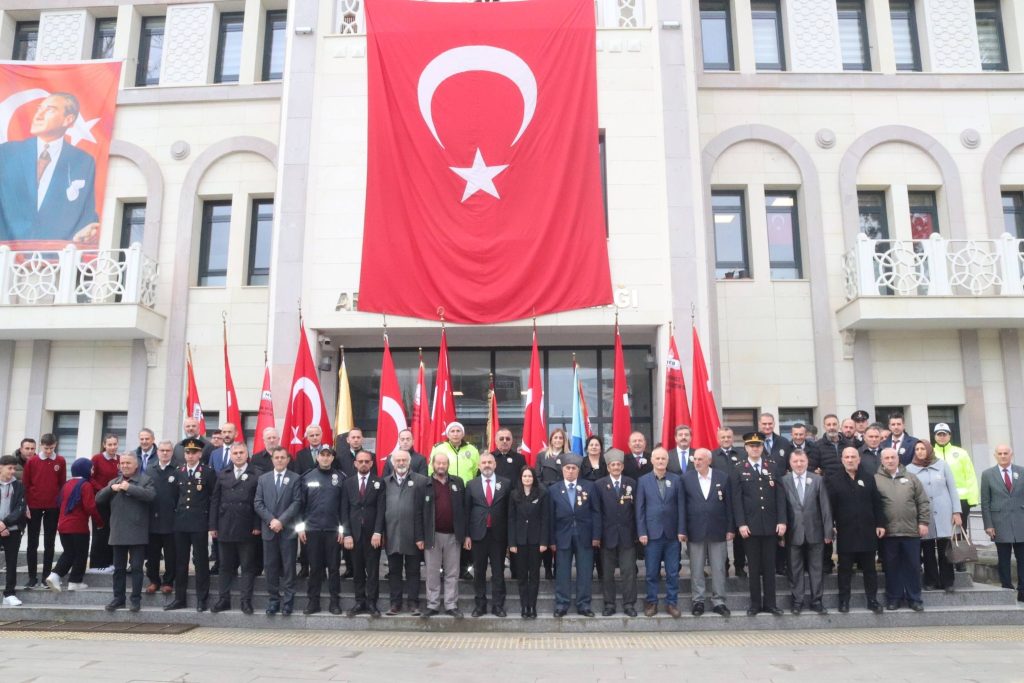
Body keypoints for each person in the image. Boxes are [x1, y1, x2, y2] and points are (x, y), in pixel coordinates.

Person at [0, 92, 99, 243]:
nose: (39, 115)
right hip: (7, 257)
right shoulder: (7, 153)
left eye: (50, 110)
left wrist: (86, 232)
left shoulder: (83, 161)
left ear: (68, 119)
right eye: (39, 109)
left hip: (55, 260)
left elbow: (87, 213)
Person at [732, 432, 786, 617]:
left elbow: (780, 496)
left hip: (771, 525)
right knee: (753, 568)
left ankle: (771, 604)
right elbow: (736, 500)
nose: (755, 448)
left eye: (758, 445)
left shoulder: (772, 466)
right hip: (750, 527)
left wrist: (782, 521)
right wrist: (741, 524)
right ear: (746, 448)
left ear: (763, 447)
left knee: (770, 568)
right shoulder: (739, 468)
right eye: (751, 446)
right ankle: (755, 604)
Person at [826, 447, 885, 614]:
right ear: (842, 459)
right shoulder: (833, 480)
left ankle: (872, 600)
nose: (850, 460)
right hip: (846, 531)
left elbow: (877, 503)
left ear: (859, 459)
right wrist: (831, 526)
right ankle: (844, 601)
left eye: (853, 457)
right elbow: (829, 506)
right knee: (844, 570)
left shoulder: (868, 478)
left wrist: (880, 524)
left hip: (867, 531)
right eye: (847, 457)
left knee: (870, 570)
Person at [95, 453, 156, 612]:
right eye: (122, 463)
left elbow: (150, 496)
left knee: (136, 568)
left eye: (128, 463)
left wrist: (130, 487)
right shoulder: (113, 482)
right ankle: (118, 599)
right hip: (118, 530)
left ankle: (135, 600)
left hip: (137, 531)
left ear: (136, 465)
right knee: (119, 569)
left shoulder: (145, 480)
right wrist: (110, 489)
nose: (125, 466)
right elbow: (98, 499)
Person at [164, 438, 216, 612]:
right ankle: (180, 598)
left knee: (201, 562)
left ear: (200, 454)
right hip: (180, 523)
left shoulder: (208, 472)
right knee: (181, 562)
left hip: (199, 522)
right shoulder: (178, 471)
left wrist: (211, 523)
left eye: (194, 452)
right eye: (187, 452)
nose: (190, 455)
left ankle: (202, 599)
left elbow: (213, 499)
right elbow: (172, 498)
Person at [875, 447, 930, 611]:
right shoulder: (876, 479)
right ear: (882, 461)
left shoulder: (911, 478)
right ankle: (894, 598)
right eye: (887, 458)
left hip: (911, 531)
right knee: (891, 567)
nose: (890, 461)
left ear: (898, 459)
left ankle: (915, 598)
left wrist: (923, 522)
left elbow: (923, 501)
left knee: (913, 566)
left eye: (893, 457)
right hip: (888, 533)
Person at [209, 442, 261, 614]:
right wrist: (213, 526)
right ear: (231, 456)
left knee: (247, 567)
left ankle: (245, 601)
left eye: (241, 452)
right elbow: (215, 501)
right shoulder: (223, 474)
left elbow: (258, 502)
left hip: (247, 528)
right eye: (235, 453)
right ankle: (224, 599)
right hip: (225, 526)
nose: (238, 455)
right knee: (225, 566)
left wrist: (256, 525)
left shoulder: (256, 474)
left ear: (247, 454)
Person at [680, 447, 732, 617]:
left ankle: (719, 601)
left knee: (718, 567)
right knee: (696, 567)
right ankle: (698, 601)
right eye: (695, 459)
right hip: (694, 530)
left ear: (709, 460)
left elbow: (729, 506)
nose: (697, 462)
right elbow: (682, 507)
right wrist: (682, 529)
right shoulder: (686, 479)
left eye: (700, 459)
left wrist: (730, 528)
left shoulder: (722, 477)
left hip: (718, 529)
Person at [781, 449, 832, 615]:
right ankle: (798, 601)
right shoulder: (784, 481)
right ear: (790, 463)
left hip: (815, 532)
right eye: (795, 461)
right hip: (792, 533)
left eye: (802, 461)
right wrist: (780, 535)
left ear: (807, 462)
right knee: (795, 569)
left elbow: (825, 508)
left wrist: (828, 532)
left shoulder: (817, 480)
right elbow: (781, 509)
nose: (799, 464)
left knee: (816, 569)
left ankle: (817, 600)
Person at [907, 440, 961, 594]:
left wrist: (956, 511)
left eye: (923, 448)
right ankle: (931, 580)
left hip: (944, 511)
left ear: (929, 449)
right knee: (928, 548)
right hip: (924, 514)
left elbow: (952, 489)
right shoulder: (910, 469)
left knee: (945, 548)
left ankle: (948, 581)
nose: (920, 451)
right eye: (917, 449)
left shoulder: (942, 465)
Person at [550, 455, 601, 617]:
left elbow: (596, 512)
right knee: (562, 571)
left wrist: (596, 536)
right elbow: (550, 517)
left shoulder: (590, 487)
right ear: (562, 470)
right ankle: (561, 604)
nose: (570, 471)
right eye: (567, 468)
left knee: (585, 571)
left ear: (578, 470)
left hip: (585, 535)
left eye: (574, 468)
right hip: (562, 536)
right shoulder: (553, 489)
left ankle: (584, 604)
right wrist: (551, 540)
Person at [635, 447, 683, 618]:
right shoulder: (643, 481)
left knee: (672, 572)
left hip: (672, 535)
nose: (661, 461)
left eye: (664, 458)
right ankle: (652, 602)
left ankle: (671, 603)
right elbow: (639, 509)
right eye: (658, 458)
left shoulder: (676, 480)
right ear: (652, 460)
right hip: (652, 534)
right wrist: (641, 532)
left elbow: (681, 507)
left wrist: (681, 530)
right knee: (651, 572)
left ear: (667, 461)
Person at [297, 447, 345, 615]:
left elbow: (344, 508)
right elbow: (300, 506)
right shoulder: (307, 477)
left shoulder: (340, 478)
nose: (325, 458)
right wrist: (300, 529)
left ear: (332, 458)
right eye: (322, 455)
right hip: (312, 530)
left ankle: (334, 602)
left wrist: (342, 530)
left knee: (333, 568)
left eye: (328, 455)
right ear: (317, 457)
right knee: (315, 567)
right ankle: (313, 602)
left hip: (333, 530)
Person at [254, 446, 301, 616]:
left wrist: (281, 521)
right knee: (270, 566)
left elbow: (297, 502)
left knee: (289, 567)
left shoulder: (295, 478)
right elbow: (258, 503)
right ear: (272, 459)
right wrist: (271, 520)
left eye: (283, 457)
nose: (280, 460)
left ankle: (288, 602)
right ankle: (273, 600)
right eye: (277, 457)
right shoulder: (263, 479)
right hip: (269, 530)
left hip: (287, 530)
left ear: (288, 460)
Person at [340, 449, 386, 617]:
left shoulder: (379, 483)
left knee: (373, 570)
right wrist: (346, 534)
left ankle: (372, 602)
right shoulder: (348, 483)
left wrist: (378, 532)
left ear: (372, 463)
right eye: (361, 461)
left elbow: (381, 510)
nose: (364, 464)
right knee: (357, 570)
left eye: (367, 461)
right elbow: (343, 511)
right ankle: (360, 601)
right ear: (355, 463)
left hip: (372, 536)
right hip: (354, 535)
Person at [465, 452, 511, 617]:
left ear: (495, 465)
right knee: (479, 572)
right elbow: (467, 511)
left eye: (489, 462)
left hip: (499, 535)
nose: (487, 465)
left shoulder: (505, 483)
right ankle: (480, 605)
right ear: (479, 465)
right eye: (483, 462)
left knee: (498, 572)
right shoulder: (471, 484)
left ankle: (498, 606)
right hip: (478, 535)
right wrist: (467, 535)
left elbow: (509, 511)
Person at [45, 458, 101, 592]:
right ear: (85, 469)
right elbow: (90, 507)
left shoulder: (67, 483)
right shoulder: (85, 485)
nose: (93, 471)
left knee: (69, 553)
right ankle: (74, 581)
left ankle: (54, 575)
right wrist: (100, 522)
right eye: (91, 468)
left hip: (63, 525)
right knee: (81, 554)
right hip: (78, 526)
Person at [383, 450, 428, 616]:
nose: (401, 463)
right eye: (397, 460)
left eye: (404, 460)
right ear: (392, 463)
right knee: (394, 571)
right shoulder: (385, 482)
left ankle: (414, 604)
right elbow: (381, 510)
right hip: (392, 534)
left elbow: (425, 511)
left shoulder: (421, 481)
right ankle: (395, 604)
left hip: (414, 536)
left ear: (409, 462)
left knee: (413, 571)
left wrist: (421, 535)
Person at [422, 451, 466, 619]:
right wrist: (421, 536)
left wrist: (464, 534)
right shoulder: (425, 484)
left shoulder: (458, 482)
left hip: (453, 536)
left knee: (452, 572)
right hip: (432, 535)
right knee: (432, 572)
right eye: (438, 463)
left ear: (448, 465)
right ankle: (432, 604)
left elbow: (463, 509)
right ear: (433, 464)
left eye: (444, 463)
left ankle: (451, 604)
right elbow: (420, 512)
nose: (441, 466)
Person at [594, 449, 637, 617]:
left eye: (619, 464)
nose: (616, 467)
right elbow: (597, 512)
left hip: (627, 535)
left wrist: (636, 534)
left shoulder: (631, 483)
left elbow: (636, 511)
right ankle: (609, 604)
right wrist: (597, 536)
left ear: (623, 466)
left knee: (628, 572)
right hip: (607, 536)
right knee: (607, 573)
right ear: (608, 467)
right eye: (613, 465)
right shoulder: (599, 485)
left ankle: (629, 604)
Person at [932, 422, 979, 571]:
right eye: (939, 434)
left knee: (959, 529)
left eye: (944, 434)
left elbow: (970, 476)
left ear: (950, 435)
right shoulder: (931, 453)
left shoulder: (961, 452)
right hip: (940, 499)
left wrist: (972, 499)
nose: (942, 437)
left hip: (962, 498)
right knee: (942, 531)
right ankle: (945, 559)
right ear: (934, 436)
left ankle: (960, 561)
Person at [22, 432, 66, 589]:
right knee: (32, 542)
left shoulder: (60, 460)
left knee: (50, 542)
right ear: (41, 445)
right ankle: (32, 577)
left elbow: (62, 485)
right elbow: (25, 485)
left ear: (55, 446)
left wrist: (60, 505)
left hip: (53, 506)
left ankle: (46, 576)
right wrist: (25, 505)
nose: (49, 451)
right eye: (46, 448)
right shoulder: (32, 461)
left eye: (52, 448)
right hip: (33, 506)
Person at [980, 444, 1024, 602]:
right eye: (1000, 453)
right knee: (1003, 558)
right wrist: (988, 524)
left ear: (1011, 454)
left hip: (1020, 521)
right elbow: (985, 501)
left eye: (1006, 453)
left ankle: (1022, 591)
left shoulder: (1021, 471)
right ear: (995, 455)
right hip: (999, 523)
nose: (1003, 456)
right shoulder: (988, 475)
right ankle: (1006, 588)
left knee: (1022, 559)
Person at [507, 466, 548, 619]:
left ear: (534, 478)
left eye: (530, 476)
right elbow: (511, 520)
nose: (527, 479)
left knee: (535, 575)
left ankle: (533, 606)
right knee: (522, 576)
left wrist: (544, 541)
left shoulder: (542, 493)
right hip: (519, 542)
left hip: (536, 541)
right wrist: (512, 543)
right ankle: (524, 606)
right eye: (524, 476)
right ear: (521, 478)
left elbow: (545, 519)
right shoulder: (514, 495)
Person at [711, 427, 746, 577]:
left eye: (728, 437)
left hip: (740, 500)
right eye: (723, 437)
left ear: (733, 438)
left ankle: (739, 566)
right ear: (718, 439)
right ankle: (723, 566)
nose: (726, 439)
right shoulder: (712, 456)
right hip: (720, 502)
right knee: (721, 535)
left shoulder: (742, 453)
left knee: (739, 536)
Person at [535, 427, 568, 580]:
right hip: (547, 495)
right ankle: (547, 568)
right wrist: (545, 490)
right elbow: (537, 477)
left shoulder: (568, 456)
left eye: (560, 438)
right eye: (555, 438)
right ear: (550, 440)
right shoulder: (542, 456)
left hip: (563, 497)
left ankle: (558, 566)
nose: (558, 440)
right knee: (547, 532)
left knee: (560, 533)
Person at [145, 440, 177, 595]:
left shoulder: (177, 469)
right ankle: (153, 581)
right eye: (162, 450)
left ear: (172, 452)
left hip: (172, 518)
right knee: (153, 553)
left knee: (171, 554)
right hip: (152, 518)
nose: (165, 453)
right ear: (157, 452)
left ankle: (168, 581)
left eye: (168, 450)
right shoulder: (149, 469)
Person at [89, 434, 120, 573]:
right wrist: (104, 490)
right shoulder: (97, 459)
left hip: (116, 501)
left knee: (113, 531)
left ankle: (111, 562)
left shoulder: (120, 459)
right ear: (104, 445)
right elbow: (90, 478)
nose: (113, 447)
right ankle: (96, 564)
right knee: (101, 532)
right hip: (101, 501)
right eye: (110, 445)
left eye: (115, 444)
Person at [0, 455, 27, 606]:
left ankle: (9, 593)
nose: (12, 471)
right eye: (9, 468)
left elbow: (20, 508)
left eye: (14, 468)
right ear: (0, 467)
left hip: (13, 530)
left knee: (12, 562)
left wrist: (4, 524)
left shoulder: (18, 486)